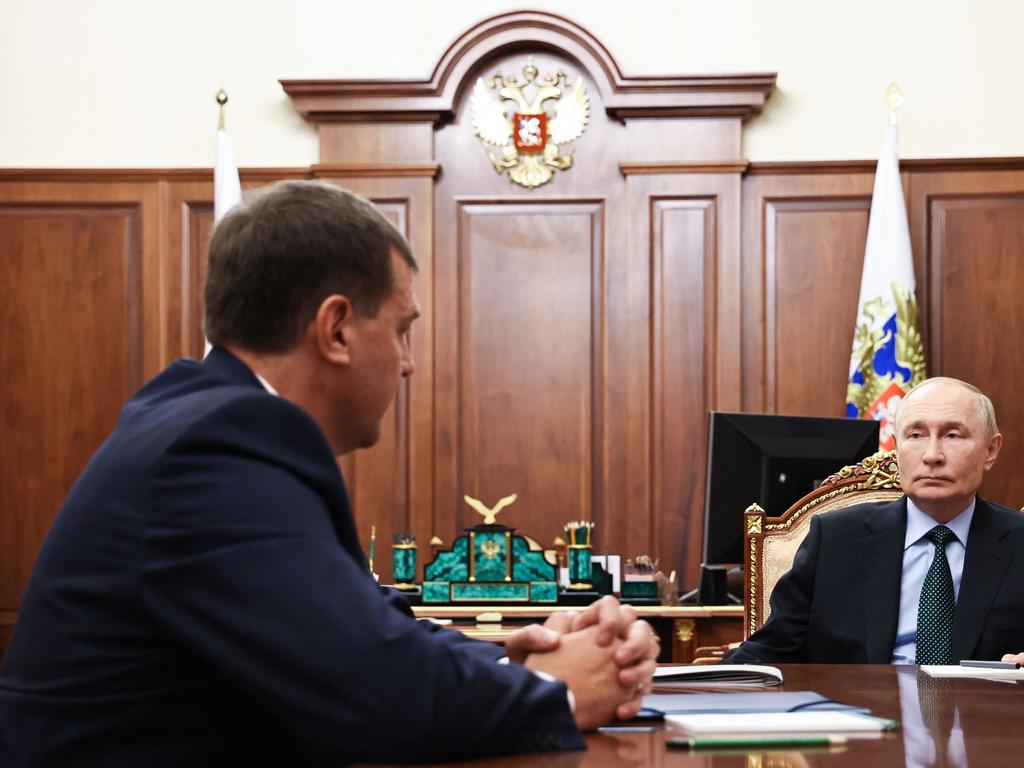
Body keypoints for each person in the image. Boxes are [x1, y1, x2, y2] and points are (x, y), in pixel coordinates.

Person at [0, 181, 658, 766]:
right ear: (337, 329)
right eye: (403, 331)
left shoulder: (200, 420)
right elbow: (377, 688)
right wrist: (563, 688)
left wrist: (522, 654)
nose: (408, 364)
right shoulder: (220, 447)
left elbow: (369, 633)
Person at [727, 376, 1024, 664]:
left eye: (952, 435)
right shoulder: (834, 539)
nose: (932, 455)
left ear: (991, 450)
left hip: (982, 713)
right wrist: (703, 687)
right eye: (916, 435)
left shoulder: (1018, 541)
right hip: (856, 710)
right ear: (896, 448)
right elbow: (773, 648)